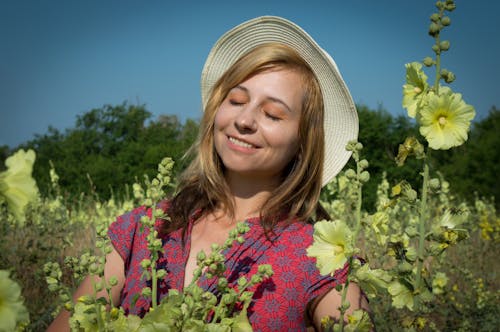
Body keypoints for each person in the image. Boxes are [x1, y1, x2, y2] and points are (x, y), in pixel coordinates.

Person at [48, 16, 368, 331]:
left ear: (303, 143)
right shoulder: (141, 231)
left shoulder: (320, 259)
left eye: (272, 114)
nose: (245, 119)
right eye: (236, 100)